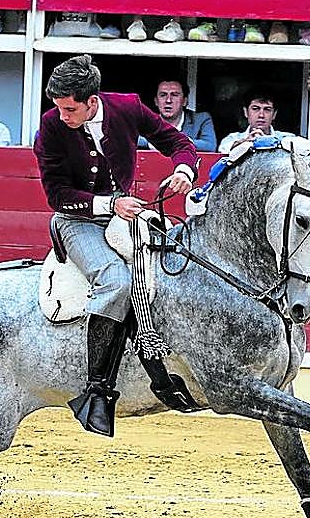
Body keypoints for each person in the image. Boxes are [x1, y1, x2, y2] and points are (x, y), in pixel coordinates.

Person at [33, 54, 196, 437]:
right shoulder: (52, 126)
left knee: (173, 265)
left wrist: (183, 169)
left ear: (93, 101)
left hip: (125, 216)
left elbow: (176, 141)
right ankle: (97, 391)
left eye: (70, 108)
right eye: (58, 107)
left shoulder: (126, 107)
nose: (63, 115)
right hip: (77, 220)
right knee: (116, 283)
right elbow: (56, 195)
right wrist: (111, 203)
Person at [138, 79, 216, 152]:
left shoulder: (201, 119)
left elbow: (210, 146)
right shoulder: (144, 120)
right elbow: (131, 139)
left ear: (185, 101)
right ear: (156, 101)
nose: (168, 100)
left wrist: (172, 141)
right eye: (163, 95)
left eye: (174, 95)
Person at [217, 89, 297, 151]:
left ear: (274, 114)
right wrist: (245, 143)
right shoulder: (233, 138)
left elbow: (306, 148)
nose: (261, 115)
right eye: (255, 109)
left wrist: (269, 142)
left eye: (267, 109)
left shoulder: (286, 138)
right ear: (246, 112)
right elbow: (223, 150)